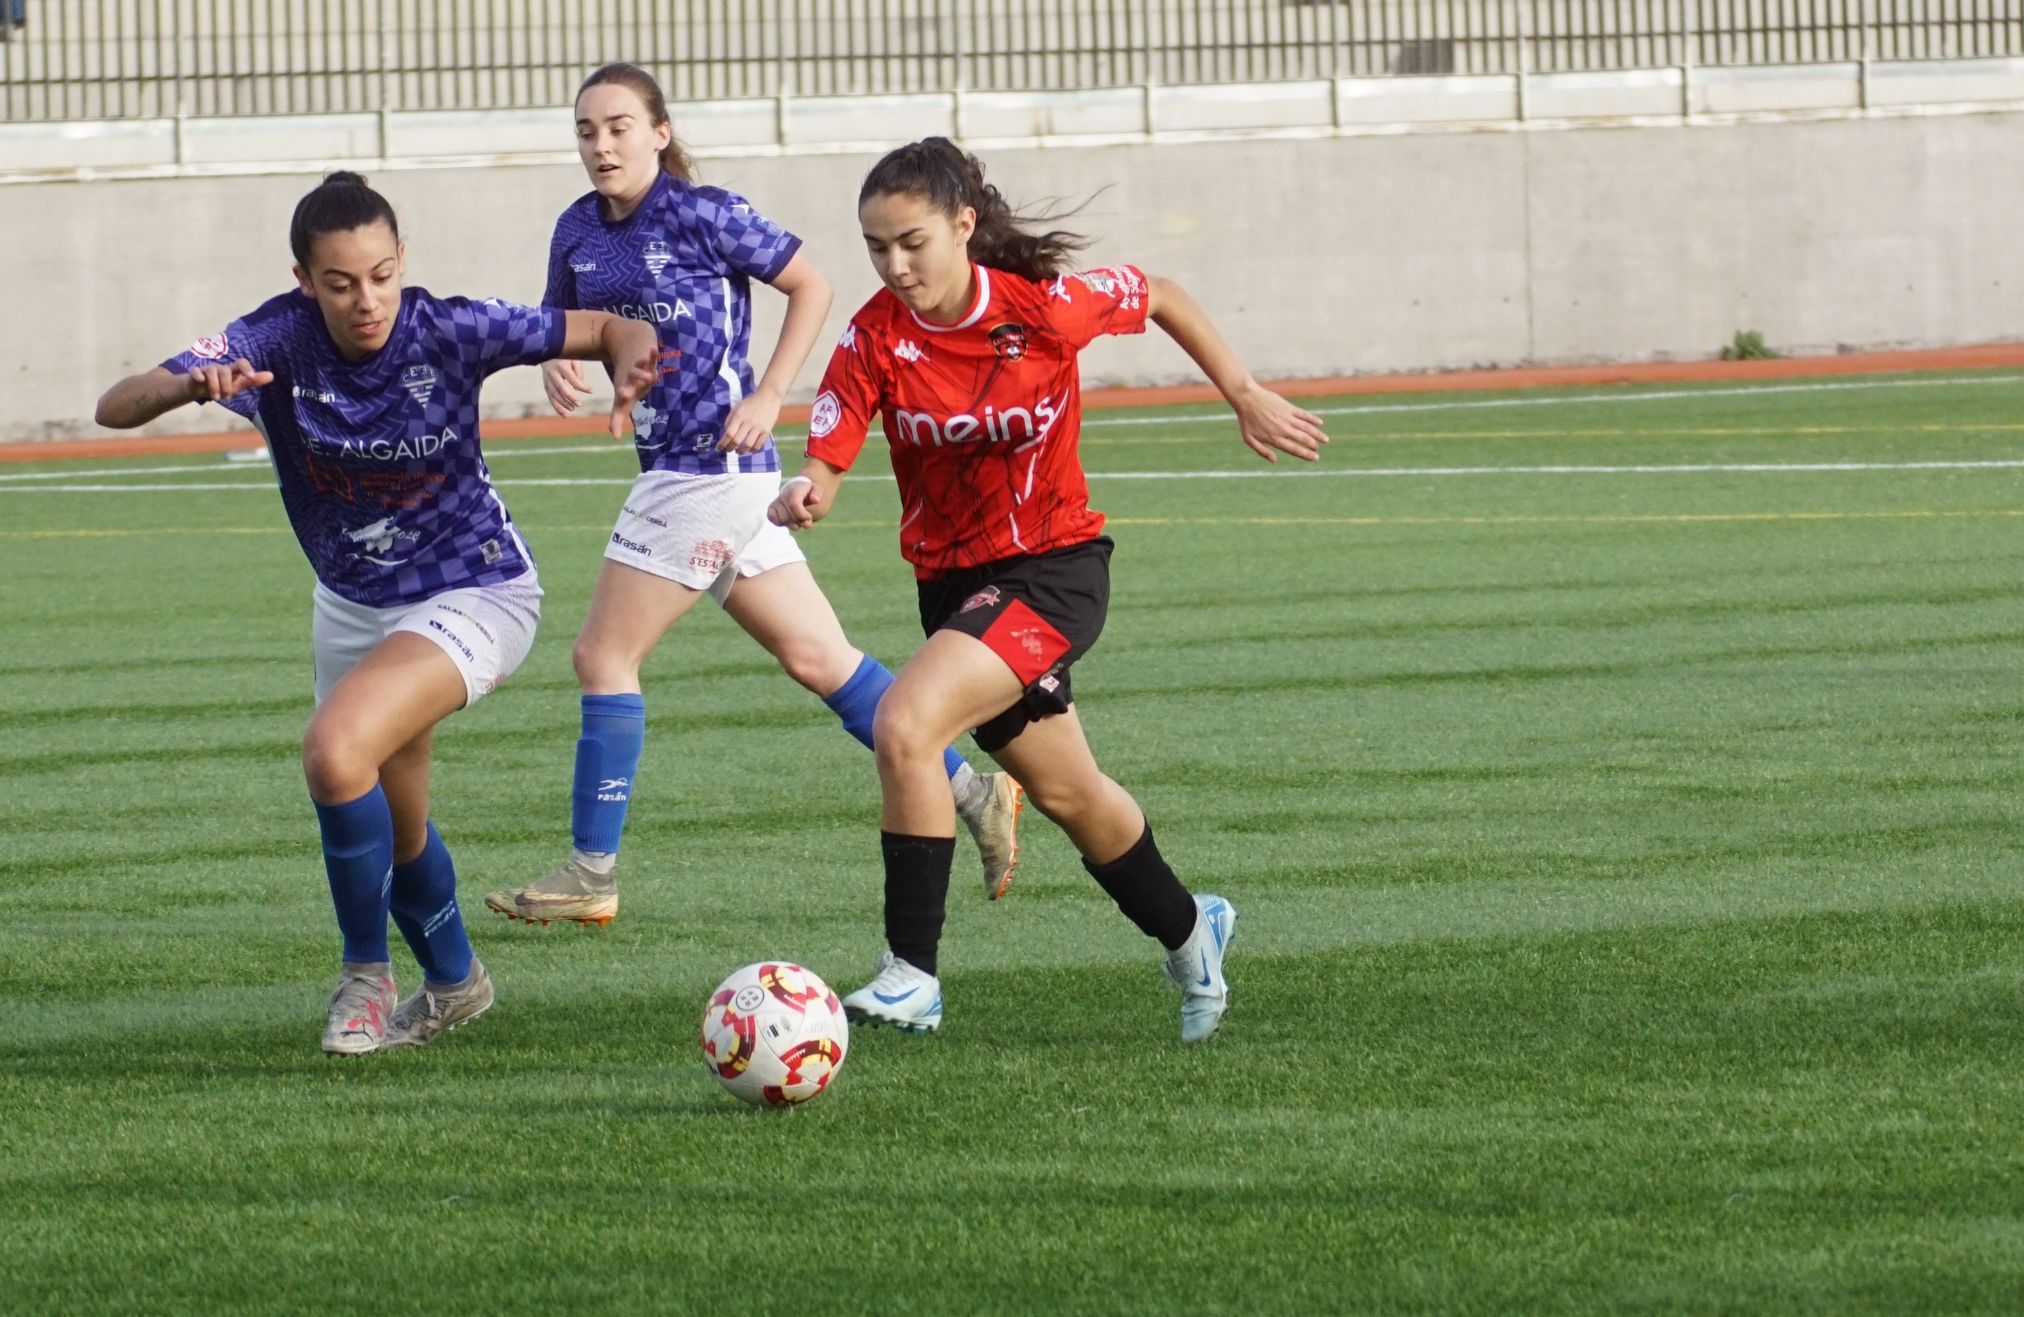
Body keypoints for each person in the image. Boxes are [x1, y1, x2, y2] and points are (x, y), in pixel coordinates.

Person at [769, 137, 1327, 1042]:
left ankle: (912, 972)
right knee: (1073, 797)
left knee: (906, 723)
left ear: (964, 224)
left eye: (912, 241)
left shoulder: (1044, 308)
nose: (895, 264)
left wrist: (1243, 390)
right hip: (956, 593)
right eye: (876, 247)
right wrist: (809, 492)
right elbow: (829, 452)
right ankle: (1193, 932)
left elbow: (1163, 294)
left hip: (1054, 574)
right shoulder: (875, 337)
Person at [94, 170, 662, 1055]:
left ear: (403, 262)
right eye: (341, 282)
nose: (368, 300)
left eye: (382, 275)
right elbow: (115, 405)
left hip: (475, 588)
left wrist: (629, 359)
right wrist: (190, 387)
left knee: (334, 749)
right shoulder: (270, 339)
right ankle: (455, 982)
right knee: (393, 824)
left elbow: (607, 325)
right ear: (303, 281)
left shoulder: (450, 326)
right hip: (352, 605)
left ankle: (365, 977)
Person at [485, 65, 1022, 929]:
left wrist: (772, 393)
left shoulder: (704, 211)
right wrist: (556, 355)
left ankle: (592, 872)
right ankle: (974, 791)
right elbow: (567, 319)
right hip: (700, 476)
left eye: (619, 127)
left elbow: (812, 283)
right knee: (820, 660)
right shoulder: (577, 230)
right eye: (586, 131)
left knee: (601, 658)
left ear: (660, 132)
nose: (601, 145)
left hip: (706, 470)